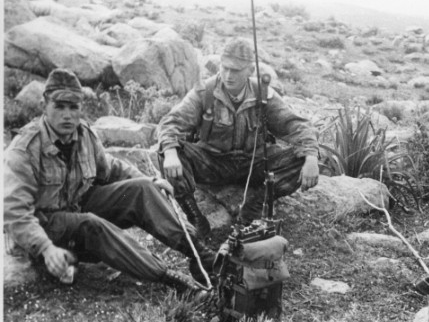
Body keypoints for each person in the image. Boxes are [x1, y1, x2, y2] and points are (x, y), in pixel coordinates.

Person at [4, 68, 208, 292]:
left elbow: (110, 169)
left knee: (141, 188)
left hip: (75, 214)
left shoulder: (84, 135)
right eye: (59, 106)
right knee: (91, 223)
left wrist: (149, 180)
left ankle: (201, 254)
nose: (67, 115)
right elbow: (14, 212)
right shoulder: (25, 148)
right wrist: (45, 248)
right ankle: (173, 280)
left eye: (74, 107)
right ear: (45, 105)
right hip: (43, 230)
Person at [157, 37, 319, 243]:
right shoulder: (204, 92)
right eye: (224, 68)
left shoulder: (264, 95)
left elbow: (297, 126)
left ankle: (254, 207)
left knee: (302, 157)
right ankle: (195, 218)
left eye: (235, 70)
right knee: (166, 151)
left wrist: (311, 156)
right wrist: (171, 152)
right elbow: (172, 122)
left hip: (253, 165)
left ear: (250, 71)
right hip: (212, 163)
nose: (228, 75)